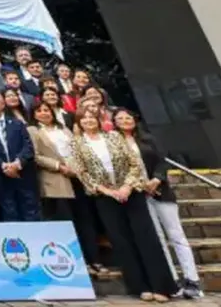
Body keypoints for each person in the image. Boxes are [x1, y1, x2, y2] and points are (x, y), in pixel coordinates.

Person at [69, 108, 176, 303]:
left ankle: (161, 286)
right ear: (78, 123)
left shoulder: (114, 137)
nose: (88, 121)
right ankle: (140, 286)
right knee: (121, 241)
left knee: (146, 237)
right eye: (83, 119)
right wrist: (108, 191)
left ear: (99, 120)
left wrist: (126, 186)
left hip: (131, 192)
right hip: (104, 197)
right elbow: (82, 173)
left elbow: (134, 163)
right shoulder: (76, 144)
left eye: (91, 117)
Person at [114, 109, 203, 299]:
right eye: (119, 118)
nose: (124, 121)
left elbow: (162, 162)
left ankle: (192, 279)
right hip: (138, 195)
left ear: (134, 120)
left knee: (176, 235)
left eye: (127, 117)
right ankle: (170, 279)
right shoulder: (115, 144)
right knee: (158, 239)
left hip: (160, 192)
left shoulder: (148, 140)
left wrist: (156, 179)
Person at [0, 91, 40, 222]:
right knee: (9, 211)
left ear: (3, 104)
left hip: (23, 173)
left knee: (30, 210)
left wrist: (17, 163)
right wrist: (2, 165)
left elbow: (27, 146)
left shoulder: (17, 123)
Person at [27, 102, 77, 220]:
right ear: (33, 115)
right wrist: (58, 166)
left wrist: (75, 167)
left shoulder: (63, 128)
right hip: (54, 178)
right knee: (63, 215)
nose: (44, 113)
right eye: (39, 111)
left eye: (46, 110)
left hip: (75, 173)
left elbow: (76, 148)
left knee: (82, 215)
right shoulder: (32, 130)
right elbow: (35, 155)